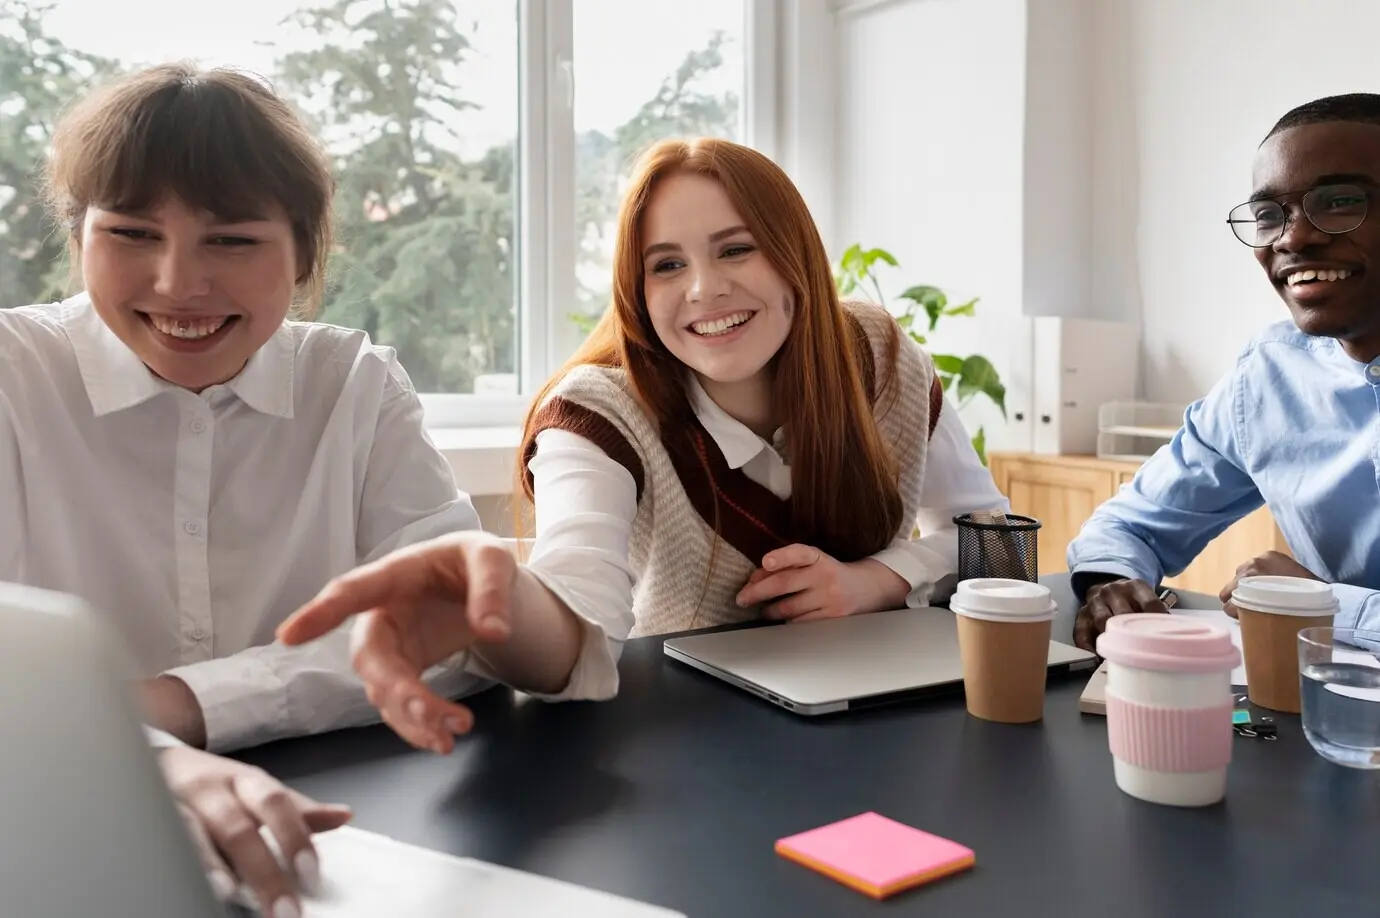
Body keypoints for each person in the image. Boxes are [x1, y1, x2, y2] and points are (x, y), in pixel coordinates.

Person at [4, 62, 588, 917]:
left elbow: (446, 634)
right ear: (78, 233)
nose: (177, 283)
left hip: (347, 841)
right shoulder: (16, 378)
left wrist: (171, 705)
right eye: (130, 233)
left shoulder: (352, 383)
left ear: (306, 250)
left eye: (232, 240)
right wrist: (151, 754)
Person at [278, 137, 1009, 743]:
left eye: (736, 249)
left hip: (898, 723)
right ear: (636, 289)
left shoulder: (876, 353)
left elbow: (997, 541)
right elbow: (579, 593)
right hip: (691, 747)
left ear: (796, 257)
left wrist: (876, 580)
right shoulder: (597, 413)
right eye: (667, 265)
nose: (703, 289)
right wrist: (499, 610)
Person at [1067, 92, 1380, 651]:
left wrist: (1323, 603)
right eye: (1268, 216)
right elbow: (1130, 525)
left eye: (1339, 202)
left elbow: (1320, 606)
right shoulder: (1269, 375)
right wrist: (1112, 581)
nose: (1292, 237)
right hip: (1320, 710)